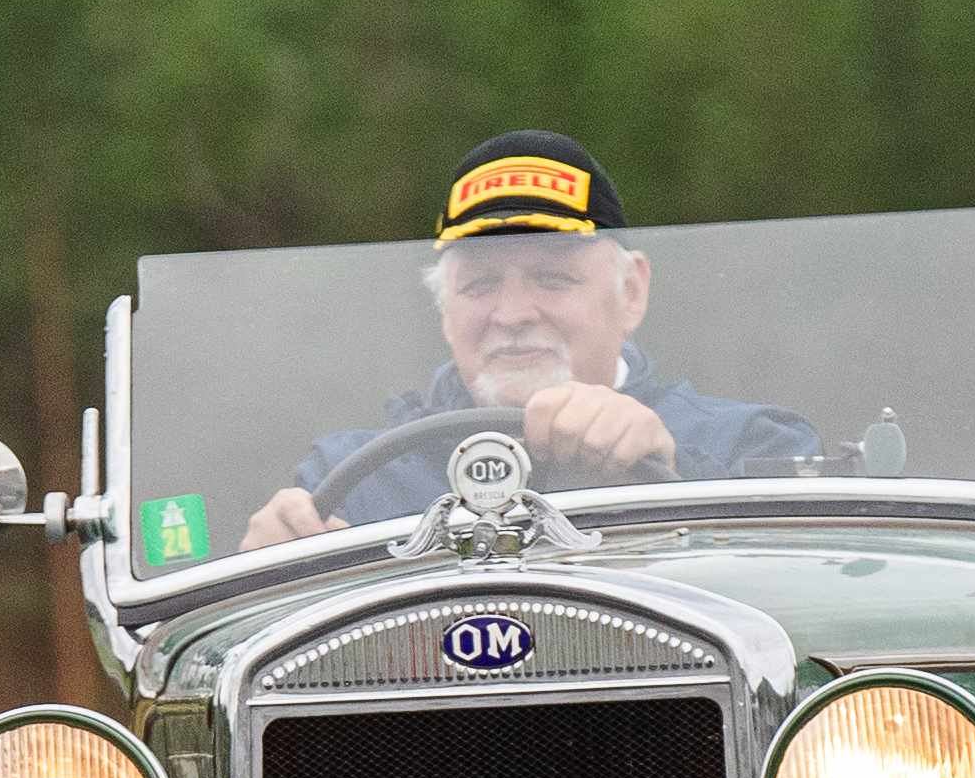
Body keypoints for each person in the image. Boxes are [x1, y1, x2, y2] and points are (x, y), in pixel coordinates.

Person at [239, 133, 816, 546]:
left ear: (632, 291)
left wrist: (673, 472)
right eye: (481, 283)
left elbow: (804, 600)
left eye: (553, 278)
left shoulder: (751, 448)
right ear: (444, 313)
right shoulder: (352, 481)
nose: (512, 313)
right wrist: (268, 573)